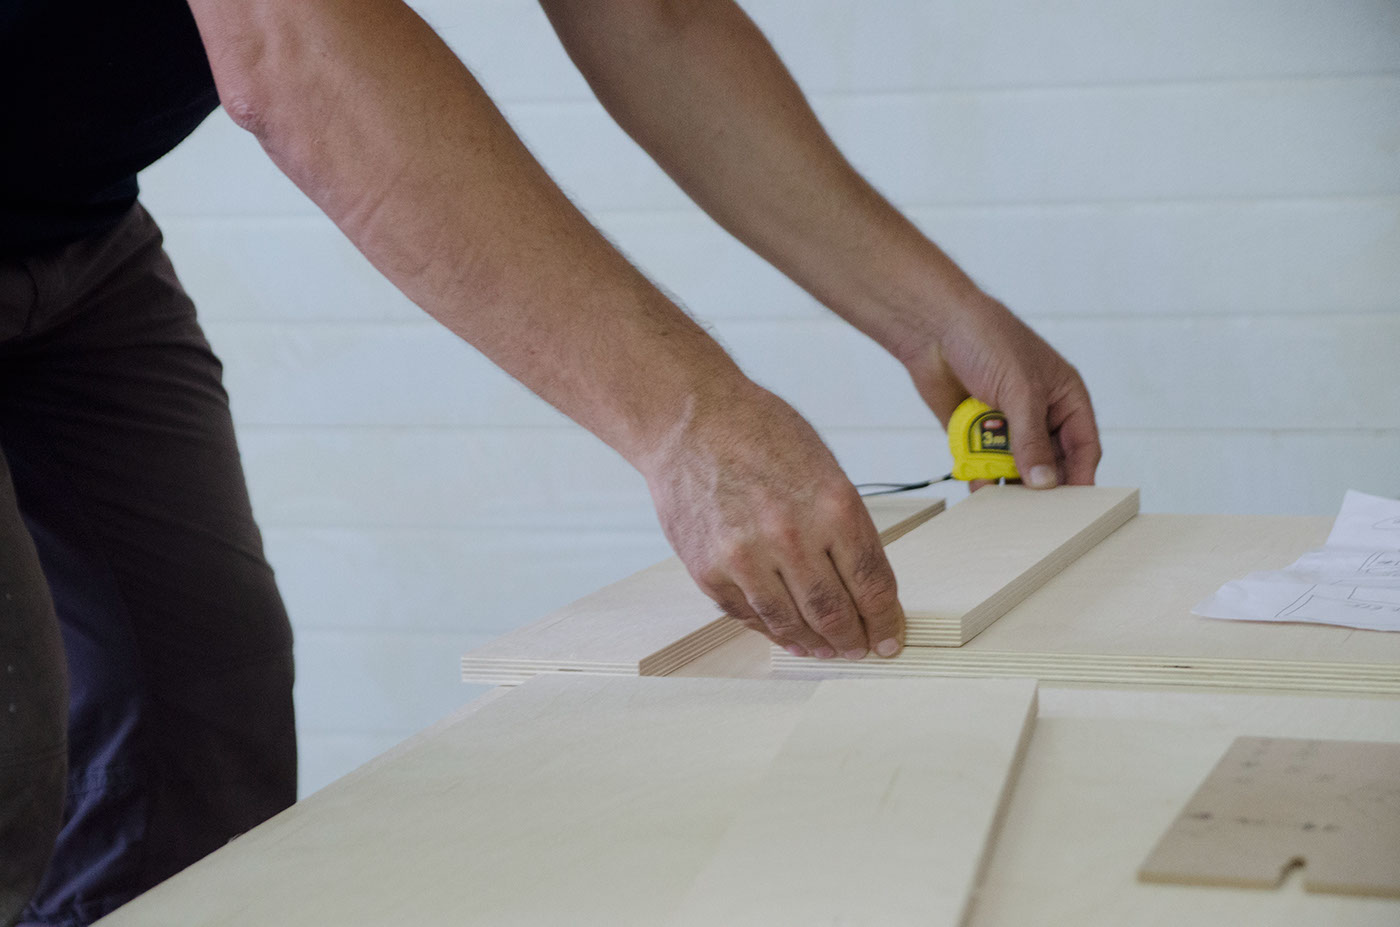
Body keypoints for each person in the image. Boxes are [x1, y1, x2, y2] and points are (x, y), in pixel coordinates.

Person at [0, 0, 1100, 924]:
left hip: (74, 238)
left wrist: (935, 318)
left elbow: (652, 20)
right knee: (10, 759)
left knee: (197, 719)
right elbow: (297, 54)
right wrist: (686, 423)